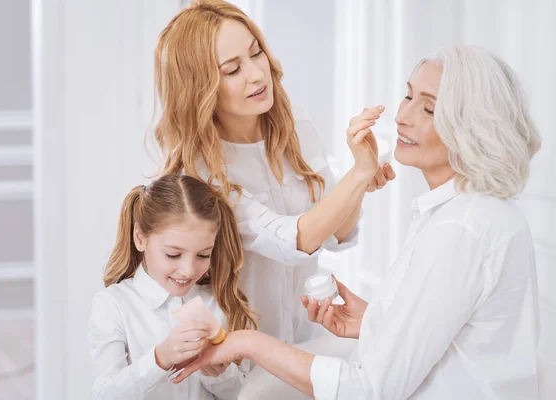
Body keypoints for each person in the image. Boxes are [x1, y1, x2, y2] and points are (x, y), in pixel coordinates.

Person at [172, 45, 542, 400]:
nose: (402, 116)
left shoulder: (460, 231)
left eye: (428, 109)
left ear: (471, 131)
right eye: (408, 95)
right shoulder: (473, 213)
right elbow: (459, 336)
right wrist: (377, 321)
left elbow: (369, 390)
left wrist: (247, 343)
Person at [153, 0, 395, 345]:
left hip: (304, 338)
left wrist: (359, 180)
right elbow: (292, 240)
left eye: (256, 53)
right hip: (233, 351)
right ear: (200, 88)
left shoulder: (297, 124)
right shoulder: (200, 173)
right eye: (232, 69)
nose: (256, 74)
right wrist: (357, 175)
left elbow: (334, 235)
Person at [88, 174, 257, 399]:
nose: (188, 270)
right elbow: (105, 394)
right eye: (173, 254)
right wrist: (160, 359)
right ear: (140, 238)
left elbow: (243, 394)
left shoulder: (218, 303)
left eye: (203, 255)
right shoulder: (113, 304)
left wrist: (219, 375)